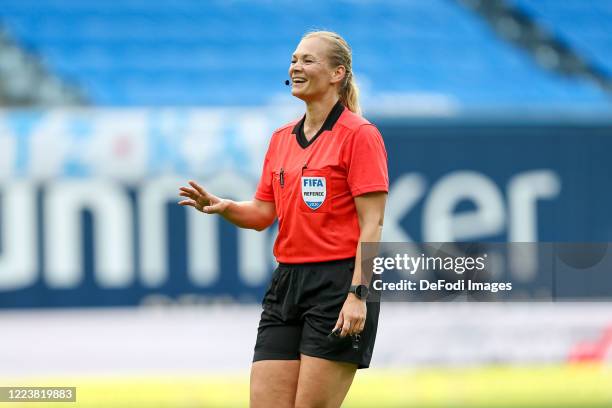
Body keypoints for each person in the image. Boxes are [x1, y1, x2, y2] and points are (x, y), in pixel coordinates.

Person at [178, 30, 388, 408]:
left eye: (308, 60)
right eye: (294, 60)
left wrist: (358, 295)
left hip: (338, 284)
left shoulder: (360, 135)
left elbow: (372, 226)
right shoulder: (280, 139)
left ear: (338, 73)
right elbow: (262, 214)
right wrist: (224, 206)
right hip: (287, 283)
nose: (296, 66)